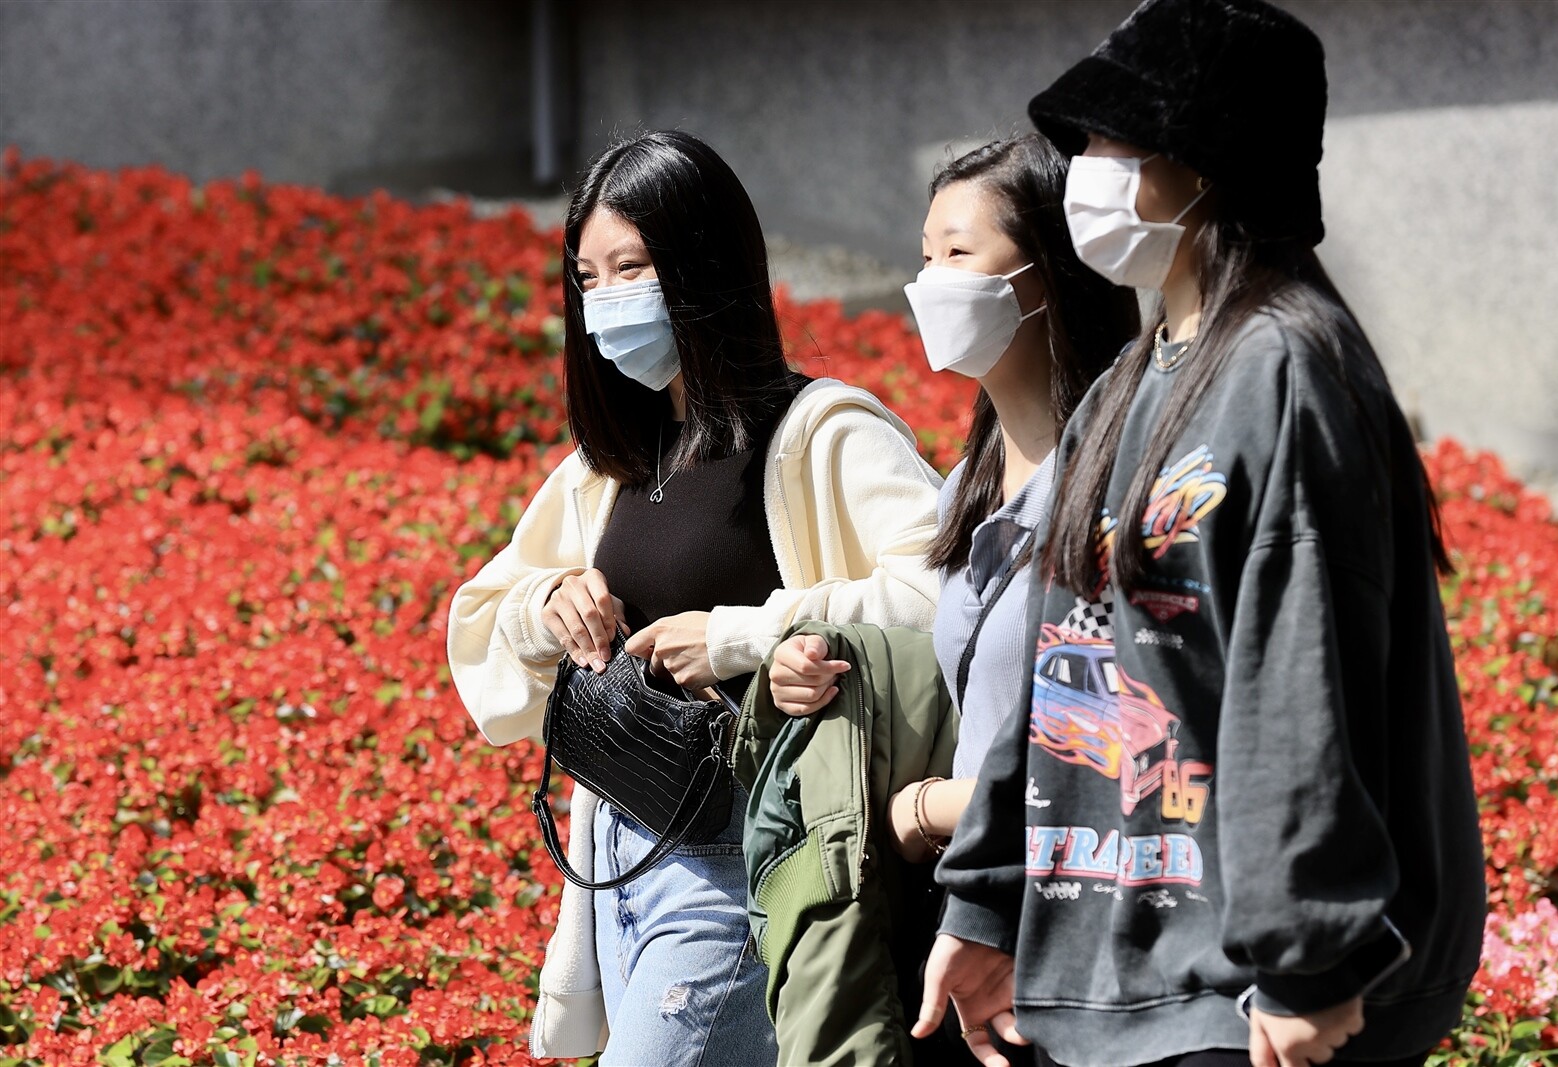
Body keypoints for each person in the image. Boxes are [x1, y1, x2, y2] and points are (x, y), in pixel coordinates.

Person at [914, 3, 1486, 1067]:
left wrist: (1307, 957)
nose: (1084, 168)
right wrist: (988, 900)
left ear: (1207, 160)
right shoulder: (1128, 387)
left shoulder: (1284, 369)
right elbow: (1060, 669)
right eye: (1081, 140)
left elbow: (1298, 678)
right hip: (1114, 975)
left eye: (1114, 141)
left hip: (1244, 1003)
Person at [446, 130, 943, 1066]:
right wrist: (551, 596)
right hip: (620, 861)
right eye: (588, 277)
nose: (606, 299)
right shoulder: (617, 462)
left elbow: (940, 593)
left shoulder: (820, 432)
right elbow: (487, 615)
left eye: (631, 266)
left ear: (704, 265)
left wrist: (741, 637)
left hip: (742, 867)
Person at [765, 134, 1139, 1064]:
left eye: (956, 254)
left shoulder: (1118, 484)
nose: (927, 281)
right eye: (923, 254)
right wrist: (812, 665)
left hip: (1074, 934)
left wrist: (929, 808)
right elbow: (954, 673)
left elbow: (1111, 751)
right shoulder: (971, 476)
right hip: (967, 917)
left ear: (1046, 275)